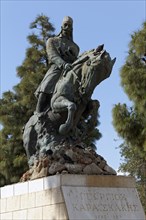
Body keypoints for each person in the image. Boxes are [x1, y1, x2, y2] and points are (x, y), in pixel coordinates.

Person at [35, 16, 80, 113]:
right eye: (65, 24)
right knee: (47, 85)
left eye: (69, 25)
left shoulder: (76, 47)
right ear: (61, 26)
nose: (67, 27)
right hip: (57, 68)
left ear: (72, 28)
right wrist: (63, 64)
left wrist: (73, 59)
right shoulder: (52, 41)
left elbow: (76, 60)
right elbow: (52, 56)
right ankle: (38, 112)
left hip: (71, 70)